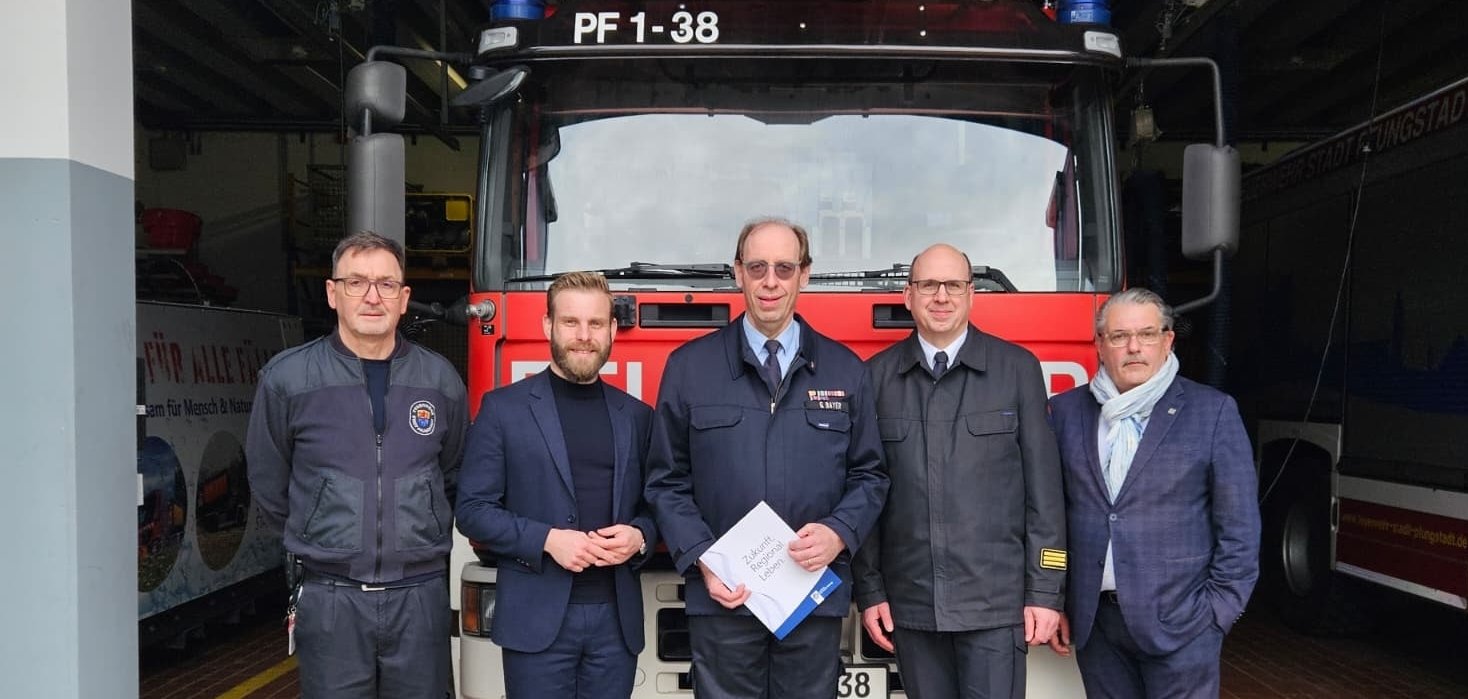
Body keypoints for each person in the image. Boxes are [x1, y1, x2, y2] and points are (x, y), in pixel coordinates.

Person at [645, 217, 889, 699]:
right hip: (723, 599)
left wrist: (840, 532)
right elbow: (665, 481)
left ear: (805, 274)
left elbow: (871, 474)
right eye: (757, 267)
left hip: (810, 597)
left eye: (784, 267)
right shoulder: (689, 368)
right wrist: (704, 559)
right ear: (738, 272)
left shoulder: (845, 369)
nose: (770, 281)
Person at [246, 231, 467, 698]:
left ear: (404, 298)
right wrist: (325, 532)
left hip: (419, 596)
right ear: (332, 292)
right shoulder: (287, 379)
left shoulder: (441, 380)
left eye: (387, 285)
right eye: (356, 282)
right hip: (331, 597)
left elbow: (452, 475)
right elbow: (269, 484)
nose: (372, 296)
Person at [853, 244, 1066, 699]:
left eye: (953, 285)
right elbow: (864, 497)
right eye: (928, 285)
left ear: (971, 295)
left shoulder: (1017, 370)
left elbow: (1045, 496)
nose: (941, 296)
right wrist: (869, 591)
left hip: (995, 608)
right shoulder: (874, 379)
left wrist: (1046, 592)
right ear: (908, 296)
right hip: (911, 606)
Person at [1046, 288, 1260, 698]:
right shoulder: (1065, 412)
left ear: (1168, 340)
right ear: (1100, 345)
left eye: (1146, 334)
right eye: (1118, 336)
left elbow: (1240, 527)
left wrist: (1218, 612)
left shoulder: (1212, 412)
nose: (1133, 347)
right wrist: (1057, 600)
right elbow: (1050, 518)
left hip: (1184, 624)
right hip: (1097, 625)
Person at [455, 271, 656, 699]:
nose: (584, 336)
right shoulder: (502, 409)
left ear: (612, 330)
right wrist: (547, 539)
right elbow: (472, 510)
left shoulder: (637, 417)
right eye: (570, 323)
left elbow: (658, 504)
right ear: (547, 326)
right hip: (536, 619)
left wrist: (639, 536)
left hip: (614, 624)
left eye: (596, 324)